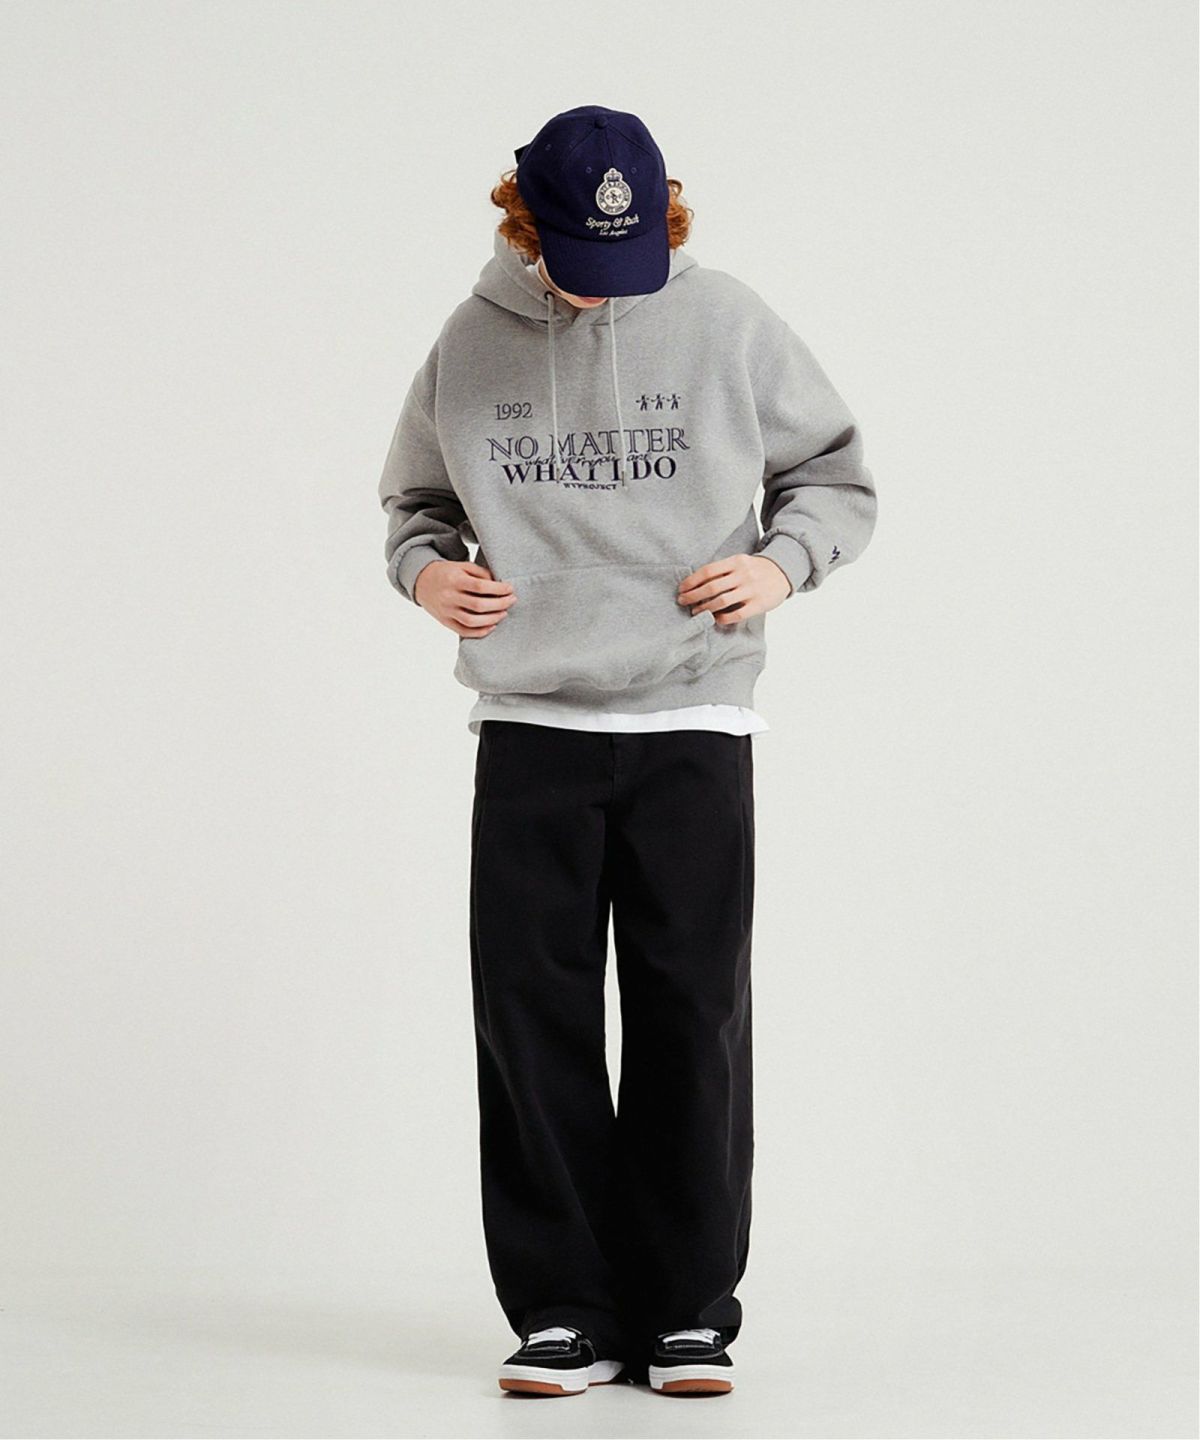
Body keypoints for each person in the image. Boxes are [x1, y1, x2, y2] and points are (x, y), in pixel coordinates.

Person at [377, 103, 877, 1398]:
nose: (606, 291)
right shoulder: (469, 343)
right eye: (580, 262)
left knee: (689, 1016)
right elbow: (415, 503)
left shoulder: (728, 323)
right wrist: (428, 575)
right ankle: (563, 1307)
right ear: (523, 225)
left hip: (692, 719)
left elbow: (835, 473)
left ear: (665, 222)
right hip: (531, 725)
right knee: (528, 1018)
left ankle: (687, 1308)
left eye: (631, 258)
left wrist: (781, 565)